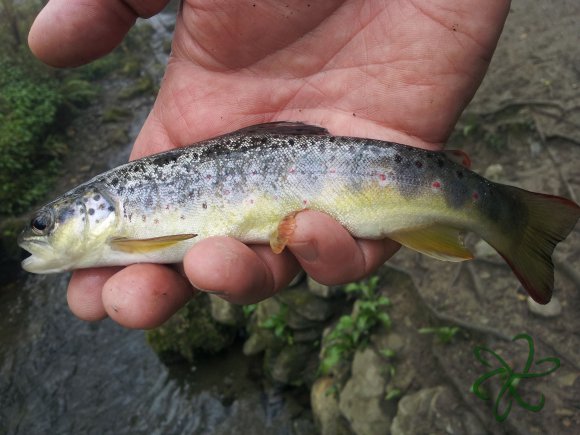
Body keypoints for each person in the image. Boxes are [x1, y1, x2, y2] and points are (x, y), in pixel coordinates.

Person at [28, 0, 511, 329]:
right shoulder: (118, 225)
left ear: (93, 212)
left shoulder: (126, 233)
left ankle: (503, 217)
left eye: (45, 224)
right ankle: (491, 214)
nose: (37, 234)